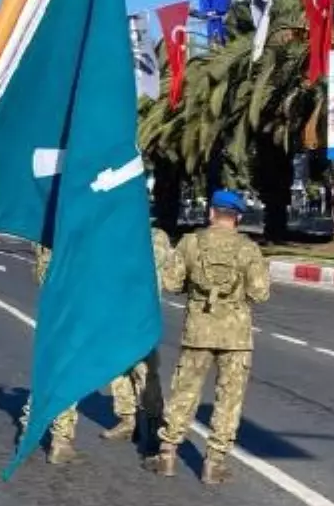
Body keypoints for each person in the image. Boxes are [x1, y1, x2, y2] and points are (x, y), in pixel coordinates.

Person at [146, 190, 270, 484]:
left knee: (184, 392)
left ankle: (167, 454)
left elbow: (172, 283)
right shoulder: (248, 249)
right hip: (236, 337)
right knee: (228, 398)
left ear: (211, 213)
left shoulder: (191, 243)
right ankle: (214, 463)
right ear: (238, 217)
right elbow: (260, 293)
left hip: (198, 332)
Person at [101, 224, 173, 450]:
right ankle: (126, 419)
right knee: (118, 369)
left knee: (145, 371)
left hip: (142, 315)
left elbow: (149, 265)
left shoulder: (156, 236)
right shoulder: (116, 233)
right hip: (115, 311)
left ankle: (153, 424)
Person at [20, 243, 82, 465]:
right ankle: (60, 440)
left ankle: (29, 430)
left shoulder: (49, 234)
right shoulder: (82, 230)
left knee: (48, 370)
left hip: (53, 307)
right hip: (75, 308)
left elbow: (40, 275)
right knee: (70, 375)